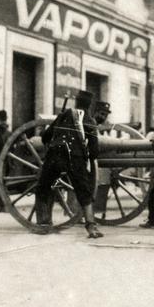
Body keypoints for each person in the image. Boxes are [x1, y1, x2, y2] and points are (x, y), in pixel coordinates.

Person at [36, 90, 103, 238]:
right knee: (84, 191)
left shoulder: (65, 114)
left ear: (76, 102)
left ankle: (43, 222)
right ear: (89, 105)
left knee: (43, 186)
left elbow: (46, 136)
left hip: (55, 155)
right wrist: (88, 158)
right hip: (75, 158)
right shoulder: (90, 121)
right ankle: (91, 227)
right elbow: (94, 150)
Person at [92, 101, 113, 215]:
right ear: (94, 112)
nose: (103, 117)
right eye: (101, 113)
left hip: (101, 162)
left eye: (105, 115)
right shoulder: (90, 123)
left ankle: (96, 211)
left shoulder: (103, 128)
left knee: (104, 180)